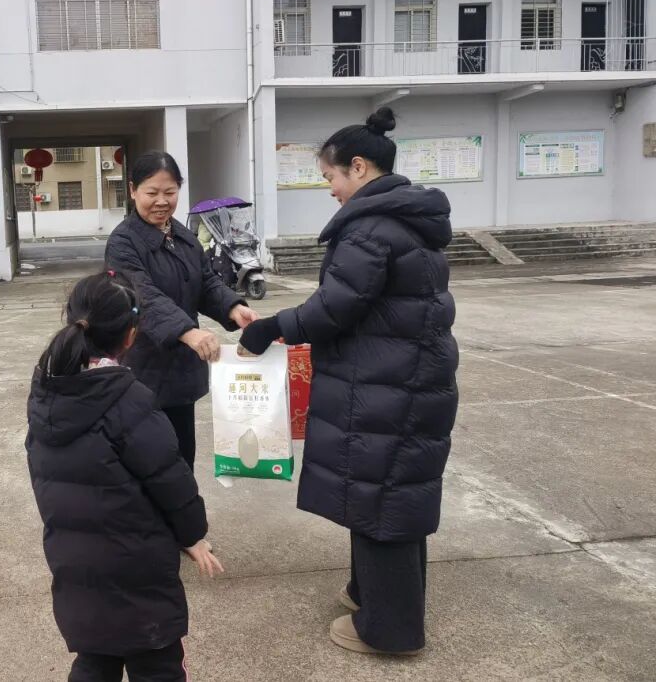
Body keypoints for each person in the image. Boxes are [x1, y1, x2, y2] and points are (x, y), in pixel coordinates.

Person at [239, 107, 459, 656]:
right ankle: (371, 597)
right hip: (402, 380)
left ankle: (390, 630)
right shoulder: (406, 220)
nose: (331, 190)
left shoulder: (370, 227)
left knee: (381, 501)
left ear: (358, 167)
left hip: (388, 386)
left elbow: (334, 307)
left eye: (330, 177)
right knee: (390, 496)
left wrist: (270, 327)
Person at [26, 271, 225, 682]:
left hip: (74, 561)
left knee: (95, 658)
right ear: (131, 335)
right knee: (157, 664)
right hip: (139, 566)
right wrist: (193, 536)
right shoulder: (128, 398)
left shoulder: (46, 394)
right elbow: (170, 479)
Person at [105, 151, 258, 468]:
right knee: (148, 460)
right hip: (143, 368)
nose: (161, 201)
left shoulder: (184, 237)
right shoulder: (123, 242)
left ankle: (182, 500)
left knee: (181, 455)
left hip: (180, 370)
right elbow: (142, 294)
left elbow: (206, 282)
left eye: (170, 192)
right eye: (152, 192)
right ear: (133, 190)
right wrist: (187, 331)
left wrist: (233, 307)